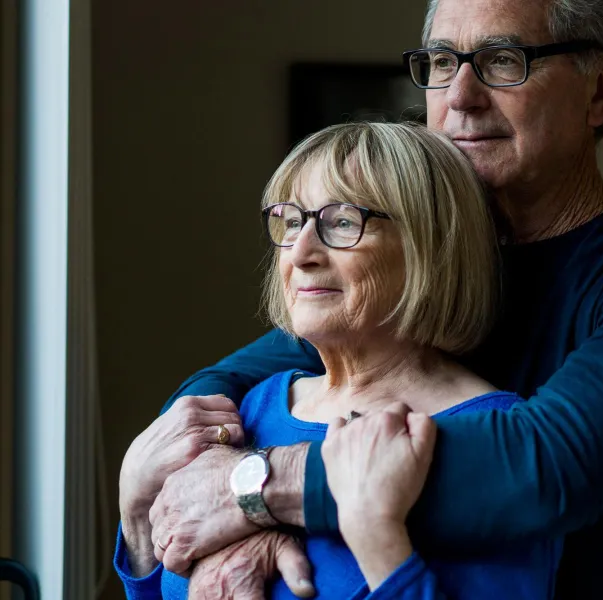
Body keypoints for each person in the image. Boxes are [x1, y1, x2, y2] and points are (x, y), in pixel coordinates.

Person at [141, 0, 603, 598]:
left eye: (504, 59)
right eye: (440, 62)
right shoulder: (411, 263)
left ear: (600, 91)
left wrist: (254, 490)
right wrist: (239, 514)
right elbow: (208, 398)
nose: (459, 95)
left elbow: (542, 470)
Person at [116, 122, 563, 599]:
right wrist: (136, 511)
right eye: (292, 221)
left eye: (342, 222)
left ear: (431, 248)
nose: (302, 251)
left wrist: (376, 533)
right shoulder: (249, 409)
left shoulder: (493, 438)